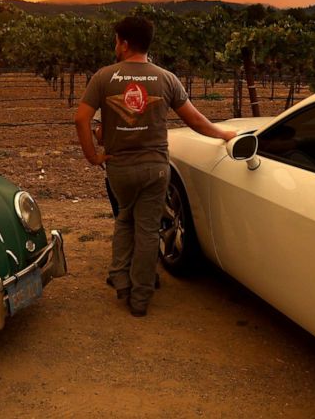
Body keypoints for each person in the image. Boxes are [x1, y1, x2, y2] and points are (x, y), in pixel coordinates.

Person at [75, 16, 236, 317]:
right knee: (148, 229)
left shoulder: (104, 77)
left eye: (116, 40)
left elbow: (81, 119)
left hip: (119, 170)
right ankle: (141, 296)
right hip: (156, 168)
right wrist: (225, 133)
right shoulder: (166, 78)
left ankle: (121, 280)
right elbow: (196, 121)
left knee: (125, 219)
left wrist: (92, 157)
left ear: (123, 43)